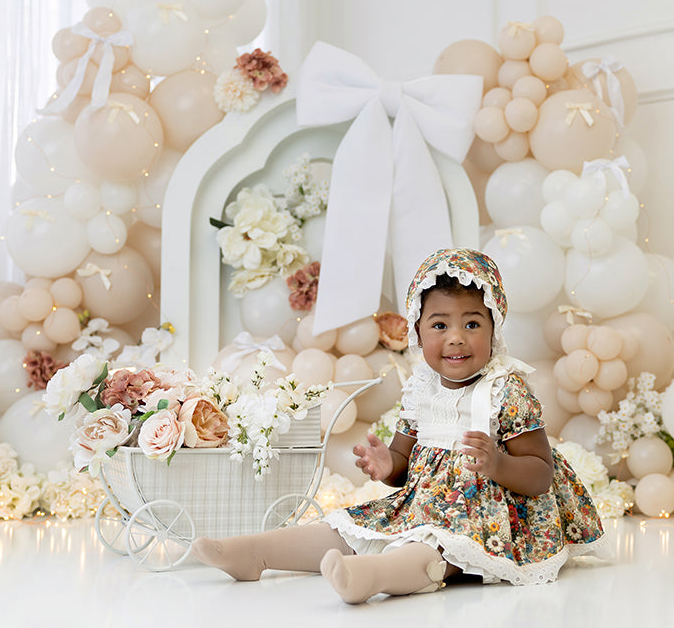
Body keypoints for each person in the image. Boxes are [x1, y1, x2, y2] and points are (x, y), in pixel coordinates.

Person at [192, 248, 608, 603]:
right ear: (418, 332)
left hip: (484, 522)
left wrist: (497, 464)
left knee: (433, 550)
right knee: (351, 526)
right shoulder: (421, 390)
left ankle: (369, 577)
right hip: (420, 507)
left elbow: (540, 474)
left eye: (472, 324)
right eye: (440, 325)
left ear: (494, 327)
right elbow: (402, 468)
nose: (456, 337)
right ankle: (256, 552)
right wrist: (386, 464)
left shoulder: (506, 389)